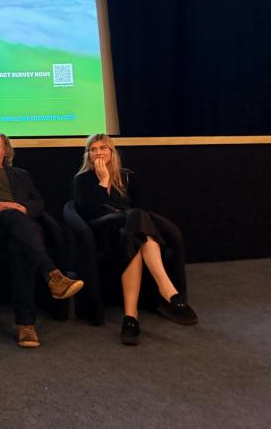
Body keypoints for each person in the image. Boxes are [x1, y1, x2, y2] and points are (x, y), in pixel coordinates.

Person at [0, 132, 83, 348]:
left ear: (6, 151)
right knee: (17, 221)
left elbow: (37, 202)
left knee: (20, 246)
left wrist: (24, 208)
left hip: (22, 232)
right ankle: (51, 274)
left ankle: (26, 325)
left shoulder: (21, 174)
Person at [73, 133, 198, 346]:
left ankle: (130, 318)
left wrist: (125, 208)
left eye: (102, 148)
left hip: (128, 234)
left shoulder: (127, 176)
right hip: (102, 232)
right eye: (93, 149)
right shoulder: (82, 180)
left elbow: (141, 207)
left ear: (111, 152)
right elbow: (89, 212)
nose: (98, 153)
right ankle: (167, 289)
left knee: (136, 234)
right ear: (88, 155)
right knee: (135, 217)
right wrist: (103, 183)